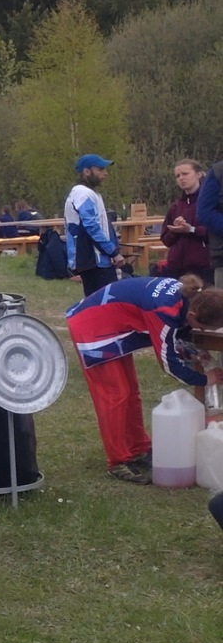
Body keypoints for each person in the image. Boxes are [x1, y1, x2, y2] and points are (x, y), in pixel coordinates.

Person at [63, 274, 223, 483]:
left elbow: (178, 333)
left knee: (131, 391)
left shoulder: (188, 297)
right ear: (192, 315)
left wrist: (193, 352)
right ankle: (117, 461)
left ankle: (137, 448)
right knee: (115, 395)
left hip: (113, 325)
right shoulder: (164, 310)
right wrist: (204, 379)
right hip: (92, 327)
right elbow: (168, 363)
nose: (198, 331)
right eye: (200, 327)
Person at [67, 153, 127, 296]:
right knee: (105, 303)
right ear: (87, 172)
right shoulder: (83, 193)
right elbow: (92, 227)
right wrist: (113, 252)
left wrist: (113, 249)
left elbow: (103, 225)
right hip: (94, 259)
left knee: (103, 302)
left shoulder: (89, 193)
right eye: (100, 169)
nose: (105, 173)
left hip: (97, 258)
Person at [157, 159, 213, 285]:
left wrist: (191, 230)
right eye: (178, 176)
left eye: (185, 174)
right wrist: (175, 230)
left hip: (204, 267)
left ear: (199, 174)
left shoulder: (210, 202)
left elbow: (215, 233)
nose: (181, 178)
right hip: (177, 268)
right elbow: (166, 240)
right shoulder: (175, 207)